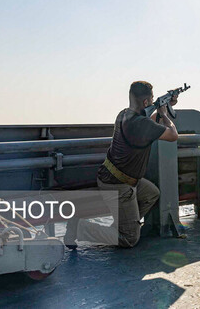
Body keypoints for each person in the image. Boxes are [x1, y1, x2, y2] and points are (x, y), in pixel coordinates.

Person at [65, 81, 178, 249]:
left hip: (119, 177)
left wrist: (165, 106)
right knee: (130, 239)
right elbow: (172, 135)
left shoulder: (124, 114)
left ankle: (123, 226)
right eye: (152, 99)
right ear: (146, 102)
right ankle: (80, 228)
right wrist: (164, 113)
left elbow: (151, 124)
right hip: (119, 184)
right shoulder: (141, 124)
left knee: (151, 194)